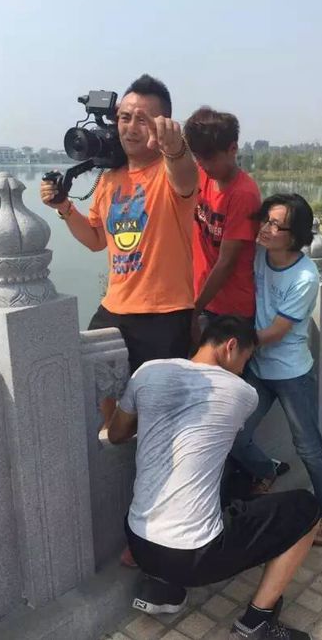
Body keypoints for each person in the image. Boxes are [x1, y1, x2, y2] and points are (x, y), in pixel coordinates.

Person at [108, 315, 321, 640]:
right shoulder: (243, 393)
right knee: (306, 508)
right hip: (194, 556)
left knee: (207, 486)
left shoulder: (148, 372)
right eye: (245, 360)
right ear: (231, 346)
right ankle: (257, 623)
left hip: (138, 542)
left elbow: (116, 434)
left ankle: (163, 589)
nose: (242, 369)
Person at [40, 73, 197, 419]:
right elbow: (97, 240)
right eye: (124, 117)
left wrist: (176, 148)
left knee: (157, 413)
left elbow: (186, 175)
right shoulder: (109, 179)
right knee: (95, 394)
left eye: (143, 119)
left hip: (164, 315)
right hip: (114, 310)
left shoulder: (169, 172)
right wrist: (65, 208)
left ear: (162, 125)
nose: (130, 127)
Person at [231, 194, 322, 546]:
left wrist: (230, 347)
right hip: (259, 369)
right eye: (266, 220)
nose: (266, 228)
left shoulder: (305, 276)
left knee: (308, 447)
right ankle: (268, 469)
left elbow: (277, 331)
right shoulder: (259, 255)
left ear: (296, 236)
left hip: (292, 374)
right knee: (235, 434)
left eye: (276, 225)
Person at [184, 106, 261, 328]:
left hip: (231, 311)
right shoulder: (201, 175)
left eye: (210, 158)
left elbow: (226, 263)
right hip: (202, 298)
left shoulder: (243, 194)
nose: (204, 165)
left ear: (232, 149)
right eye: (199, 158)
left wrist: (195, 311)